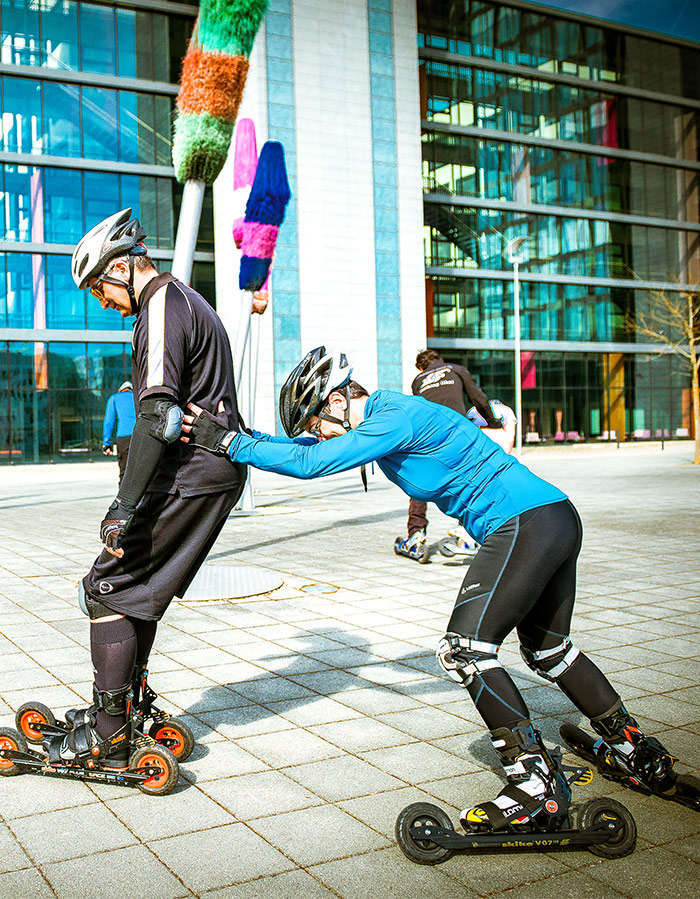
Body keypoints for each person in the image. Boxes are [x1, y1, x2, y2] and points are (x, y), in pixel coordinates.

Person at [182, 345, 683, 827]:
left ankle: (534, 785)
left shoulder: (392, 416)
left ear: (336, 399)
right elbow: (305, 448)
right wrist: (237, 433)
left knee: (466, 651)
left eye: (318, 420)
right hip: (552, 516)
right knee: (549, 651)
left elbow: (314, 464)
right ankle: (634, 747)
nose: (321, 433)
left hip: (522, 522)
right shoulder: (386, 416)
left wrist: (227, 444)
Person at [46, 208, 246, 768]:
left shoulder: (159, 305)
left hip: (192, 472)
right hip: (210, 471)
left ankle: (109, 736)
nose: (100, 302)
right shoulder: (185, 299)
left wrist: (122, 506)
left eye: (97, 288)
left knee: (106, 586)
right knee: (136, 591)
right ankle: (123, 711)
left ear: (122, 266)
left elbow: (157, 414)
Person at [395, 350, 502, 561]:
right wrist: (493, 422)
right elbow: (478, 398)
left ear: (420, 368)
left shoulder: (418, 381)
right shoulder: (456, 369)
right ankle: (466, 535)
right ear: (440, 360)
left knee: (419, 484)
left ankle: (416, 537)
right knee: (467, 483)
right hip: (456, 434)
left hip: (426, 438)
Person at [102, 381, 136, 484]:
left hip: (124, 438)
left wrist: (106, 443)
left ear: (120, 390)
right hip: (140, 436)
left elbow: (109, 421)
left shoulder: (114, 398)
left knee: (124, 472)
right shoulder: (138, 398)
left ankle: (124, 498)